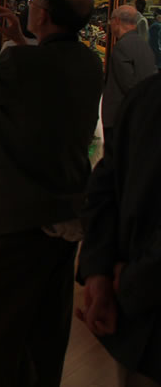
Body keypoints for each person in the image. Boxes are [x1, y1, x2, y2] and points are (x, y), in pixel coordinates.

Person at [0, 0, 104, 387]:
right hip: (67, 213)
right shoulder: (89, 63)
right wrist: (19, 40)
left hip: (16, 220)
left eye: (32, 3)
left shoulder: (22, 66)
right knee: (46, 327)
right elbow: (44, 79)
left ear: (43, 15)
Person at [77, 72, 161, 386]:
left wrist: (104, 276)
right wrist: (103, 275)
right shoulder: (144, 98)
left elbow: (103, 189)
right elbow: (106, 187)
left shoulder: (143, 97)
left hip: (137, 328)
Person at [101, 5, 157, 144]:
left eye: (110, 21)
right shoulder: (144, 45)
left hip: (120, 118)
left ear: (117, 21)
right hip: (138, 117)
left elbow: (128, 85)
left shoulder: (122, 47)